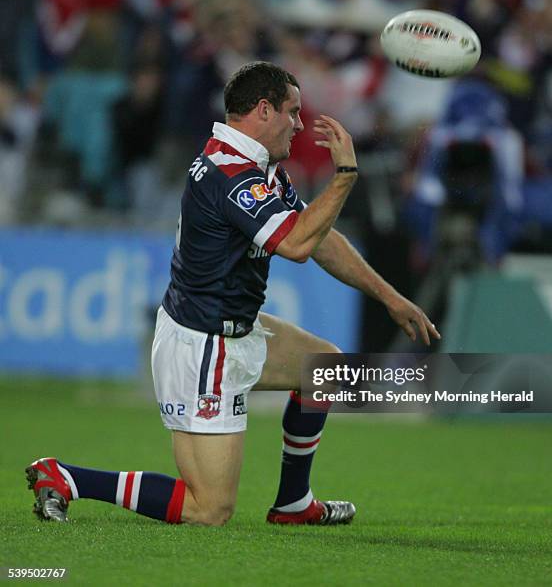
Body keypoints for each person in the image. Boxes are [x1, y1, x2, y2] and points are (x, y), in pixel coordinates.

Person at [26, 61, 440, 526]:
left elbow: (318, 237)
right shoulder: (232, 174)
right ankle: (66, 476)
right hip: (203, 347)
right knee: (210, 509)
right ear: (264, 110)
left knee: (323, 367)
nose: (300, 125)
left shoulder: (256, 167)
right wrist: (344, 175)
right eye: (293, 112)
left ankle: (293, 504)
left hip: (237, 328)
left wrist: (390, 296)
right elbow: (298, 245)